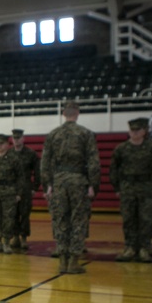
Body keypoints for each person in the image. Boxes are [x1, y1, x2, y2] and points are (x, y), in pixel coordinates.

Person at [41, 102, 100, 275]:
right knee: (78, 221)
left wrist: (48, 185)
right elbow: (93, 163)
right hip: (78, 181)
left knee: (60, 220)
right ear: (77, 113)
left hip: (58, 182)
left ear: (63, 114)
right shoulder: (86, 134)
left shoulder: (53, 134)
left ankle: (62, 262)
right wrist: (93, 185)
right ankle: (73, 262)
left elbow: (45, 163)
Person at [109, 117, 152, 262]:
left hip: (147, 187)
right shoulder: (121, 149)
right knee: (129, 219)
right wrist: (117, 187)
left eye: (138, 130)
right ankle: (130, 247)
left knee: (146, 219)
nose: (134, 133)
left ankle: (144, 248)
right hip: (127, 187)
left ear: (144, 131)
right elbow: (114, 169)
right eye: (132, 130)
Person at [10, 129, 41, 251]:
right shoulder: (9, 154)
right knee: (13, 214)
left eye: (19, 138)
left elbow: (37, 172)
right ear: (12, 139)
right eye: (14, 138)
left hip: (26, 188)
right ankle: (15, 237)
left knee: (24, 214)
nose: (16, 140)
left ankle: (23, 238)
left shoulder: (31, 154)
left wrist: (35, 187)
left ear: (23, 139)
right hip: (12, 188)